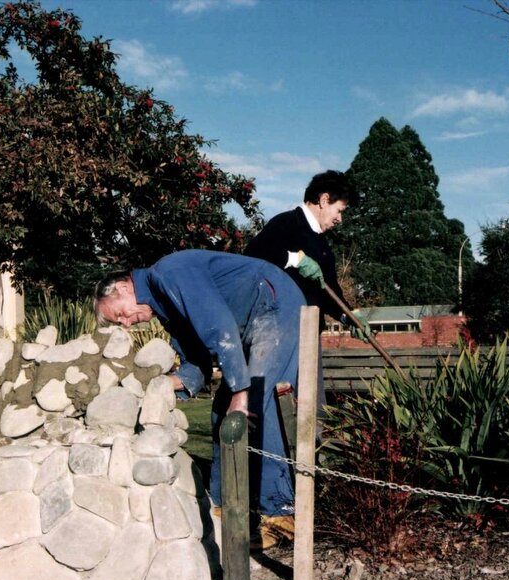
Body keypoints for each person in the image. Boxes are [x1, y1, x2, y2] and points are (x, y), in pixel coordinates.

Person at [94, 250, 304, 549]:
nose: (127, 324)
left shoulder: (168, 273)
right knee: (222, 414)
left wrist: (241, 395)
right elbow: (198, 362)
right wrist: (165, 386)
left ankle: (281, 514)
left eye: (120, 314)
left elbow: (220, 330)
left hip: (274, 303)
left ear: (124, 288)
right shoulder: (166, 308)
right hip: (247, 325)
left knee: (258, 402)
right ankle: (223, 508)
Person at [244, 169, 367, 336]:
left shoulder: (323, 245)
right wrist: (294, 259)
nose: (340, 219)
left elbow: (329, 292)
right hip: (275, 334)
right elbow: (253, 255)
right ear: (324, 200)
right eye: (339, 211)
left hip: (310, 337)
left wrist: (349, 316)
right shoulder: (285, 223)